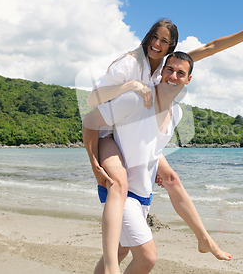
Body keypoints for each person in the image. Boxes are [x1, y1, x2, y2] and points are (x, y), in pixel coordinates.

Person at [82, 9, 243, 273]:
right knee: (119, 184)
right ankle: (112, 265)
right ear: (148, 37)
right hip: (108, 132)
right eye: (154, 38)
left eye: (165, 42)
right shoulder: (129, 64)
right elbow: (92, 103)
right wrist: (128, 87)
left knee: (171, 179)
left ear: (172, 47)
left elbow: (211, 47)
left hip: (137, 132)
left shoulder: (170, 67)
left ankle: (204, 239)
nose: (157, 45)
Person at [83, 52, 219, 273]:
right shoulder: (136, 99)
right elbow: (90, 121)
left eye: (180, 73)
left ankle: (205, 239)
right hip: (120, 191)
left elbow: (151, 143)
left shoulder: (176, 113)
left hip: (144, 192)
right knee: (147, 257)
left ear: (188, 79)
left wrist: (155, 163)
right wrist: (95, 163)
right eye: (169, 70)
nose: (173, 76)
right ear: (161, 72)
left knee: (121, 251)